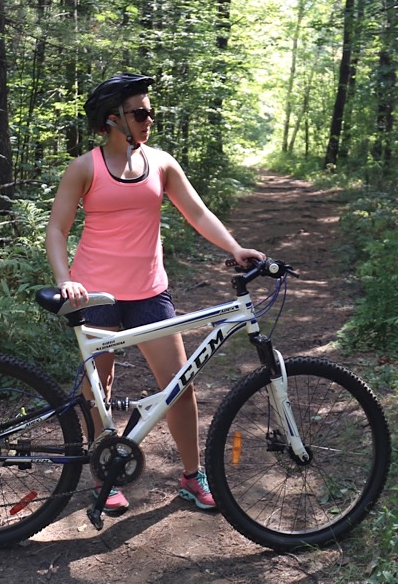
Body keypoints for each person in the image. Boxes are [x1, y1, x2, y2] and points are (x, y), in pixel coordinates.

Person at [44, 73, 264, 516]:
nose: (149, 120)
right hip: (96, 295)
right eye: (140, 113)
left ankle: (191, 476)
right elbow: (57, 229)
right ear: (113, 120)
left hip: (149, 293)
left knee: (180, 387)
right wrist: (65, 276)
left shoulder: (161, 163)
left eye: (150, 112)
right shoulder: (84, 168)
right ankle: (104, 475)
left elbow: (197, 213)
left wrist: (235, 248)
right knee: (97, 390)